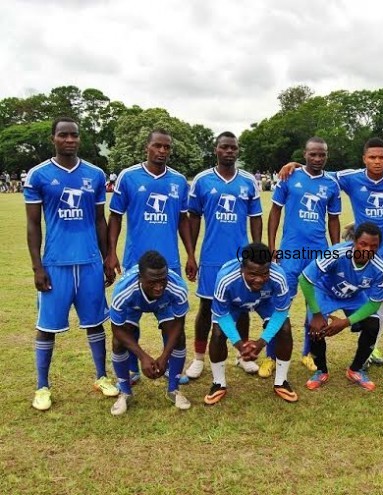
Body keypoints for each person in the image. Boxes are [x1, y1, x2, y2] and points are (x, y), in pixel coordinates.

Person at [280, 138, 383, 367]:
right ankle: (313, 353)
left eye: (382, 157)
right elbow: (320, 172)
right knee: (337, 292)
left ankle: (372, 348)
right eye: (372, 157)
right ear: (364, 159)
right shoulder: (351, 177)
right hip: (358, 248)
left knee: (380, 302)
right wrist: (298, 166)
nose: (377, 162)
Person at [24, 117, 118, 411]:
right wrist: (37, 267)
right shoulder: (39, 175)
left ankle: (102, 377)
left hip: (89, 262)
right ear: (53, 138)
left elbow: (100, 221)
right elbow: (32, 224)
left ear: (79, 138)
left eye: (74, 135)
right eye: (63, 135)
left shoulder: (95, 173)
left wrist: (106, 258)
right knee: (47, 327)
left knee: (95, 324)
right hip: (56, 264)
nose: (69, 140)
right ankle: (42, 386)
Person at [105, 129, 197, 386]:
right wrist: (111, 253)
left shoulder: (179, 181)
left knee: (171, 320)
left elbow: (182, 220)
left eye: (167, 147)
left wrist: (190, 254)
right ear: (147, 147)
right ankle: (132, 370)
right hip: (136, 263)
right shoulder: (128, 177)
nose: (163, 151)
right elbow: (115, 217)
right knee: (129, 320)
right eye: (158, 146)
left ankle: (169, 367)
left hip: (171, 264)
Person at [185, 132, 263, 379]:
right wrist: (191, 254)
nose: (229, 151)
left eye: (233, 148)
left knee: (242, 307)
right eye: (224, 147)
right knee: (207, 308)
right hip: (211, 258)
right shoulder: (202, 180)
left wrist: (258, 250)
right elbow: (194, 217)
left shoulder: (249, 181)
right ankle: (198, 358)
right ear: (216, 150)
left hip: (241, 258)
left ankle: (242, 356)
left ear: (238, 151)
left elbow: (256, 217)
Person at [264, 137, 341, 377]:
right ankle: (270, 355)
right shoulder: (289, 177)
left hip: (318, 252)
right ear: (305, 155)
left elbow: (334, 219)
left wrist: (336, 250)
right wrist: (272, 245)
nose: (317, 159)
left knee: (314, 306)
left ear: (326, 156)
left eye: (322, 155)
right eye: (313, 154)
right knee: (280, 303)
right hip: (290, 251)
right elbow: (275, 211)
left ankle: (308, 353)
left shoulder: (331, 184)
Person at [204, 243, 297, 405]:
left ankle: (281, 381)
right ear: (242, 269)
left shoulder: (279, 276)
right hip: (234, 304)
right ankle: (218, 383)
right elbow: (222, 314)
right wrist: (240, 346)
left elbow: (281, 311)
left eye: (264, 273)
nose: (260, 279)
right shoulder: (226, 278)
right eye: (253, 274)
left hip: (264, 301)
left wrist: (261, 343)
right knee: (218, 333)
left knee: (285, 328)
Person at [299, 222, 383, 391]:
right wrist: (317, 314)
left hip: (353, 296)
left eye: (374, 246)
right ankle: (321, 371)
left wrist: (346, 322)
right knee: (315, 328)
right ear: (355, 241)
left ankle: (355, 369)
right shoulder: (337, 253)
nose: (368, 249)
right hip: (324, 292)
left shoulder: (380, 268)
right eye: (363, 244)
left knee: (373, 324)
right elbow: (305, 279)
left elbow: (374, 302)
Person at [109, 250, 191, 415]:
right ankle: (125, 392)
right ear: (140, 278)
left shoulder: (178, 287)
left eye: (163, 280)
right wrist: (143, 357)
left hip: (164, 304)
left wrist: (164, 357)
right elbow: (116, 329)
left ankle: (173, 390)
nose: (159, 286)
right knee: (119, 342)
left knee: (179, 337)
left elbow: (179, 323)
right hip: (134, 304)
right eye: (153, 282)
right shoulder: (123, 291)